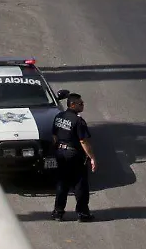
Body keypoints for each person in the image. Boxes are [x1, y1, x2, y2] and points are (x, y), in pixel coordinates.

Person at [51, 93, 96, 222]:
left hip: (61, 153)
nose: (83, 105)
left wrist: (57, 150)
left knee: (62, 183)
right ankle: (83, 213)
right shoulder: (78, 121)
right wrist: (92, 157)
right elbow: (83, 141)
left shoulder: (59, 117)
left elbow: (54, 136)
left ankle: (58, 212)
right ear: (72, 105)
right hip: (74, 155)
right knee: (80, 184)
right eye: (80, 103)